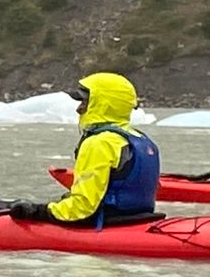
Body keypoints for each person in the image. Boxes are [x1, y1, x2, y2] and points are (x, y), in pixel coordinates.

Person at [9, 72, 159, 225]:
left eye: (85, 102)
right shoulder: (142, 140)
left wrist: (38, 212)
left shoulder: (99, 143)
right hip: (139, 218)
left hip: (105, 222)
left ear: (102, 104)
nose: (79, 109)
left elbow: (83, 208)